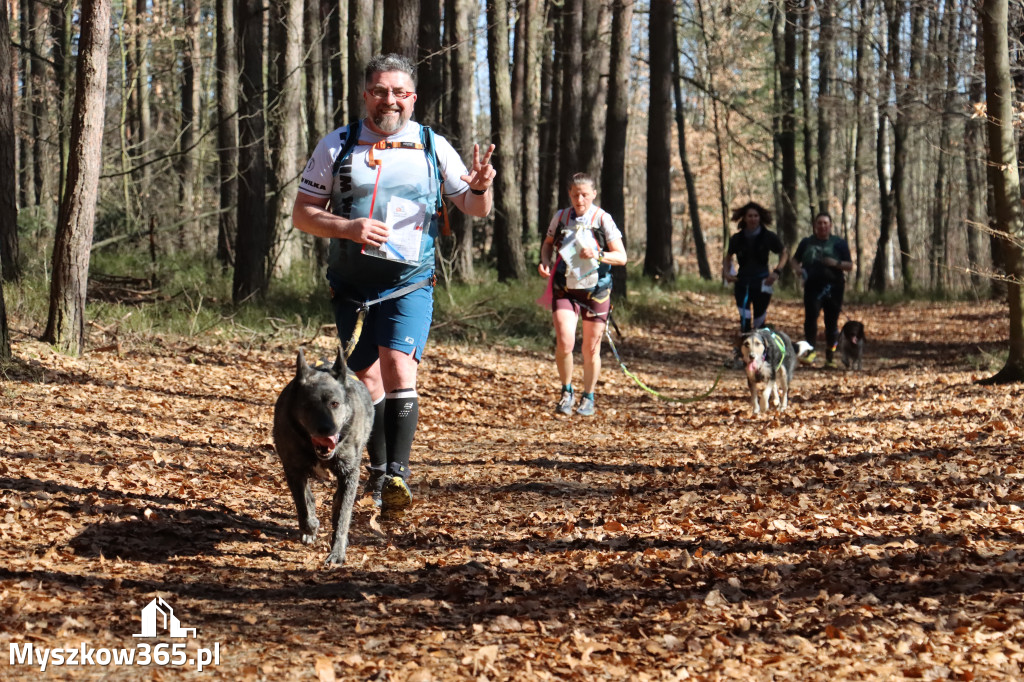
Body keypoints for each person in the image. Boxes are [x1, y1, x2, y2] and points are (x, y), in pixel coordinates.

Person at [292, 53, 495, 515]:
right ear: (366, 95)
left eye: (400, 92)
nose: (391, 100)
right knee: (365, 378)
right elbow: (303, 213)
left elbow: (473, 208)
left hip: (410, 281)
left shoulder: (431, 144)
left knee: (399, 366)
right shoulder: (337, 144)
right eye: (381, 91)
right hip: (351, 287)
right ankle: (380, 473)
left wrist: (480, 187)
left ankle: (398, 473)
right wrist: (348, 228)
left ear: (413, 98)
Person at [537, 173, 627, 417]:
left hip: (596, 291)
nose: (580, 199)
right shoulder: (562, 217)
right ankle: (567, 391)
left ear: (593, 194)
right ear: (570, 194)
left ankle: (588, 396)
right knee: (565, 341)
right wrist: (544, 261)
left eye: (585, 194)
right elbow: (547, 244)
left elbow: (622, 256)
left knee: (590, 349)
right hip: (565, 288)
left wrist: (598, 255)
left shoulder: (602, 218)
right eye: (575, 194)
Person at [722, 201, 789, 367]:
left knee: (759, 322)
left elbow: (784, 253)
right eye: (750, 216)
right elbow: (728, 256)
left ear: (760, 218)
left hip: (762, 283)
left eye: (756, 216)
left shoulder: (768, 237)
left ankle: (762, 354)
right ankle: (743, 355)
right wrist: (727, 273)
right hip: (743, 283)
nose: (753, 219)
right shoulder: (737, 238)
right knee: (744, 320)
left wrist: (776, 272)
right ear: (744, 218)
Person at [791, 212, 853, 369]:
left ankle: (830, 356)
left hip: (834, 288)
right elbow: (794, 260)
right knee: (810, 319)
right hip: (812, 287)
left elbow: (850, 265)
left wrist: (835, 263)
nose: (822, 226)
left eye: (825, 223)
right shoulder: (806, 243)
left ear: (830, 225)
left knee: (831, 323)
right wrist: (798, 270)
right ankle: (810, 352)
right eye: (819, 223)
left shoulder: (839, 243)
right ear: (814, 225)